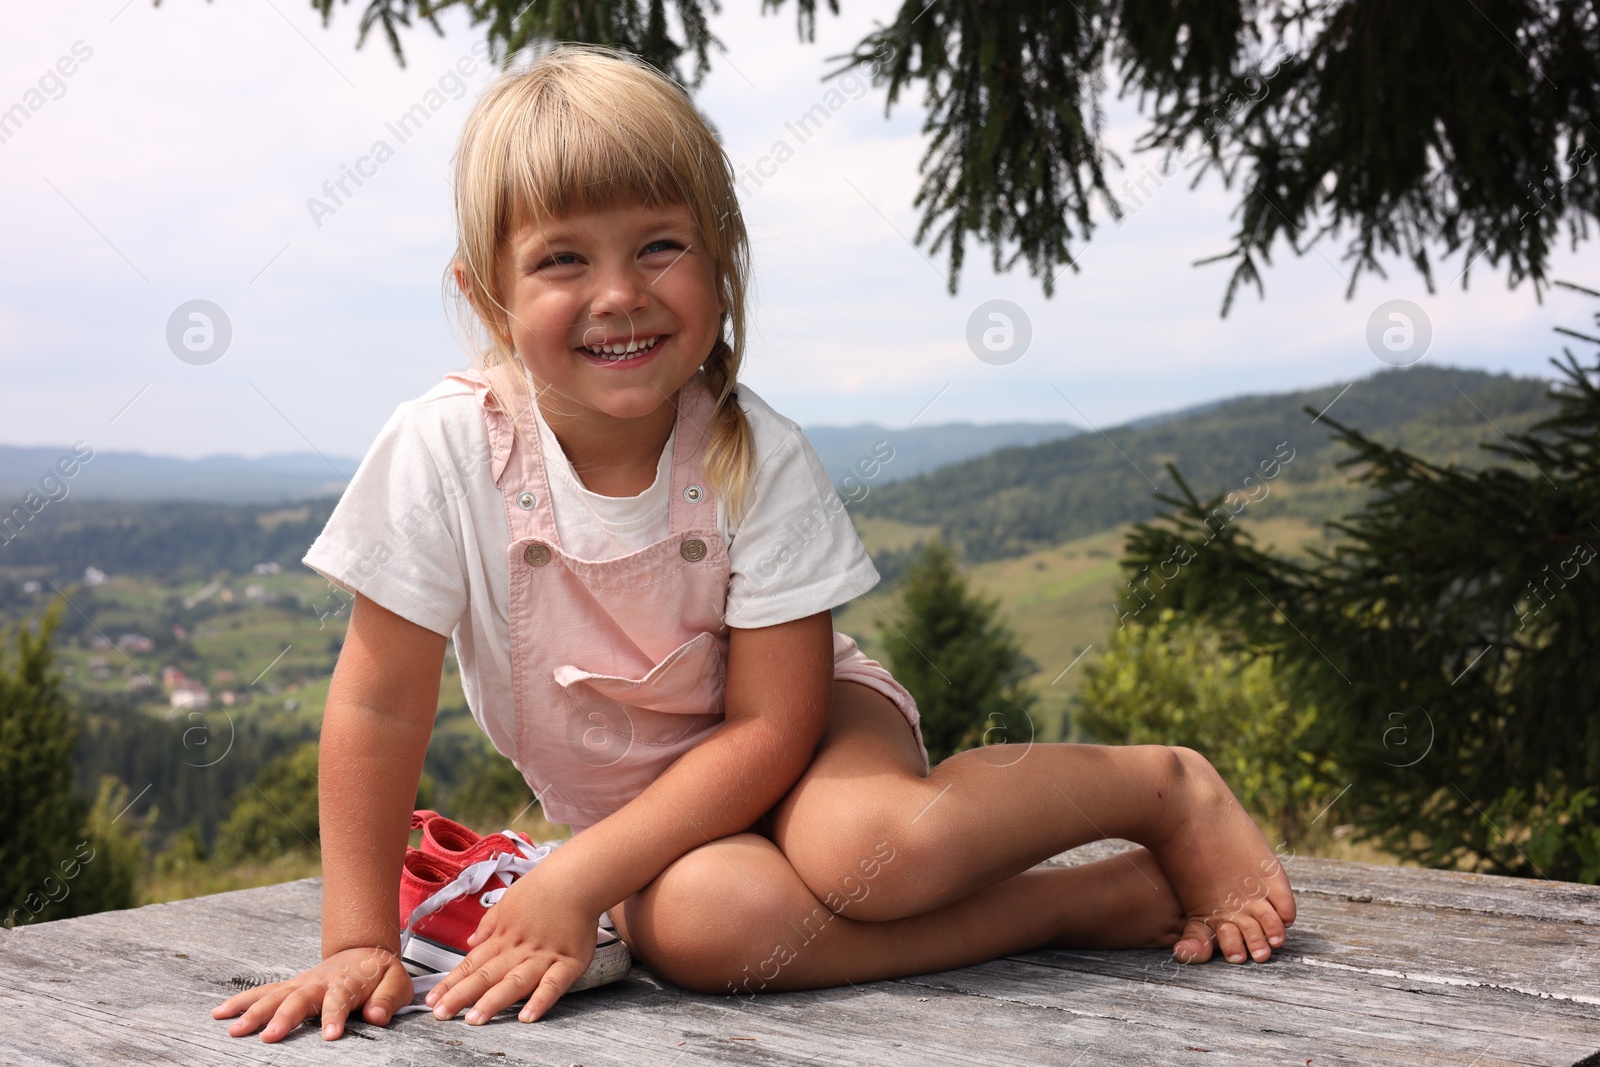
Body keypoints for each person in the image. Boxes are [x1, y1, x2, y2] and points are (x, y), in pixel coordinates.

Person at [213, 43, 1295, 1044]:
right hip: (649, 824)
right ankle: (1073, 900)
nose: (619, 293)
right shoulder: (442, 451)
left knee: (868, 849)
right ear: (486, 293)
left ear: (720, 258)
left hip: (812, 733)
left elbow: (773, 728)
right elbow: (377, 705)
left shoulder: (751, 452)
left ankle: (1160, 785)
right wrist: (357, 941)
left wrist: (577, 874)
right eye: (560, 260)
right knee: (705, 931)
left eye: (659, 245)